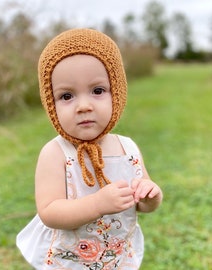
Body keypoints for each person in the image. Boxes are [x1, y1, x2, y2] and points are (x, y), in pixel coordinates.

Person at [16, 28, 163, 269]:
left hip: (115, 256)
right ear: (50, 103)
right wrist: (97, 205)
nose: (83, 106)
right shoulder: (56, 153)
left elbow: (143, 204)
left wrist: (151, 195)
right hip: (68, 259)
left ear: (116, 92)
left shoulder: (127, 148)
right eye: (66, 96)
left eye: (97, 91)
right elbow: (49, 212)